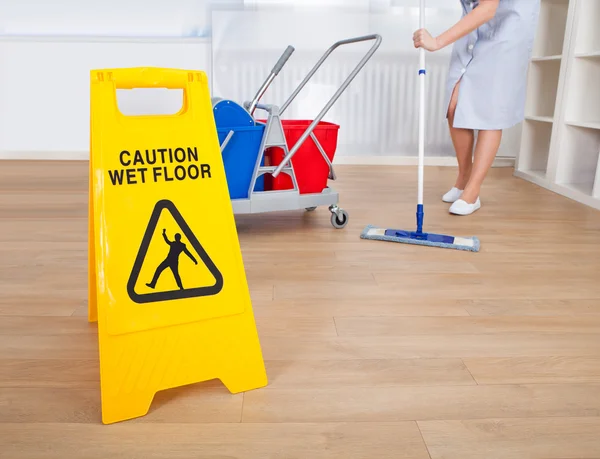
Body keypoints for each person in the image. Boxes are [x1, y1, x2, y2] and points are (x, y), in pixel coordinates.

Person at [413, 0, 540, 215]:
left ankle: (472, 192)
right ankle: (463, 178)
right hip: (474, 27)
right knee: (454, 105)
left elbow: (488, 8)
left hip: (506, 31)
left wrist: (436, 42)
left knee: (490, 113)